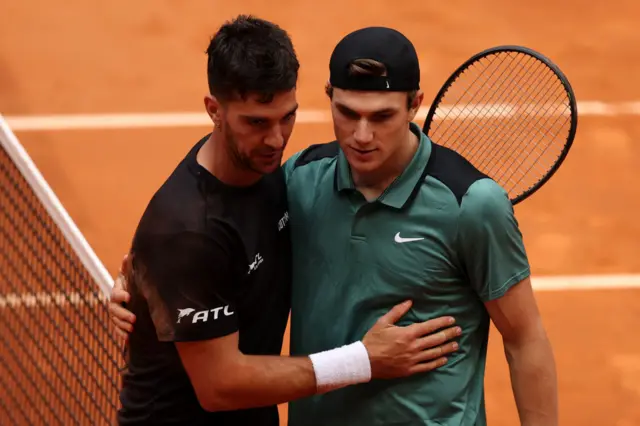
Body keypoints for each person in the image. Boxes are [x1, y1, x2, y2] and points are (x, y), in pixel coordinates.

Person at [110, 15, 462, 426]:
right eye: (256, 122)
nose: (277, 140)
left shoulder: (275, 172)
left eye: (287, 117)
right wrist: (362, 361)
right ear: (214, 110)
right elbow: (220, 386)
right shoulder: (189, 230)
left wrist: (143, 288)